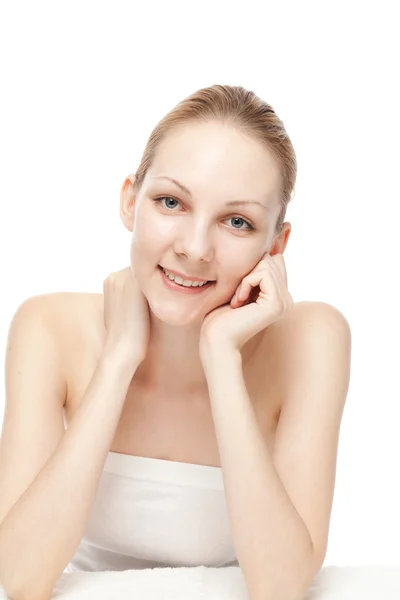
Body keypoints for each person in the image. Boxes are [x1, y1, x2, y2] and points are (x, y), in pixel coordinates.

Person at [0, 85, 351, 600]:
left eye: (237, 221)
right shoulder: (48, 327)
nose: (193, 248)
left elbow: (280, 586)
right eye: (171, 202)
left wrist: (222, 359)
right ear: (129, 201)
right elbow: (19, 576)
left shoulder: (312, 340)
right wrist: (119, 359)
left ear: (275, 245)